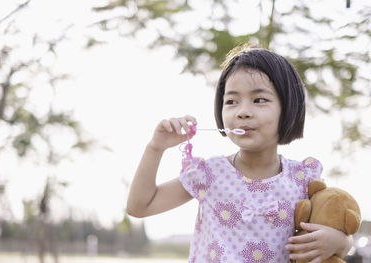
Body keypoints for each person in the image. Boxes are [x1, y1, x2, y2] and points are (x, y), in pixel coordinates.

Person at [126, 45, 352, 263]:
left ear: (288, 108)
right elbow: (140, 206)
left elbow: (338, 236)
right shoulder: (210, 174)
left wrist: (339, 241)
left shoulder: (303, 179)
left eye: (259, 100)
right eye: (232, 101)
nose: (243, 112)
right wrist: (155, 148)